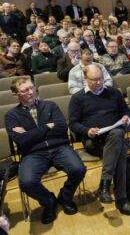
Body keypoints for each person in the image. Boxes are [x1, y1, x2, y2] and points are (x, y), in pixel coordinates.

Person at [6, 78, 86, 224]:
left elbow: (62, 127)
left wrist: (30, 134)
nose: (31, 92)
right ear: (15, 95)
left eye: (32, 87)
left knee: (79, 169)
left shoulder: (50, 105)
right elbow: (21, 141)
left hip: (59, 147)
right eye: (25, 90)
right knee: (27, 182)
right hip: (33, 153)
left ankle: (65, 197)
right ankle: (49, 201)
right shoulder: (11, 116)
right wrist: (47, 127)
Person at [68, 64, 130, 215]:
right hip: (94, 141)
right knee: (120, 148)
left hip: (114, 137)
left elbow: (125, 110)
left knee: (117, 137)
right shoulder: (77, 98)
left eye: (100, 79)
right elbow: (73, 124)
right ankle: (121, 199)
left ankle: (105, 186)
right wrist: (86, 131)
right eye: (94, 80)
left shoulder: (114, 93)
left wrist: (126, 116)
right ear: (85, 79)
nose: (98, 82)